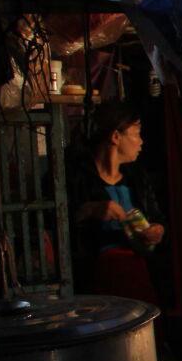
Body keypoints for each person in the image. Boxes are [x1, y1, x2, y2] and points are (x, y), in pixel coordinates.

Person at [68, 100, 165, 304]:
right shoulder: (75, 176)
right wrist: (87, 211)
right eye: (137, 133)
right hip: (93, 281)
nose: (141, 142)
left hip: (137, 272)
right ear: (115, 136)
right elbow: (51, 226)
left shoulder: (137, 176)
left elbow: (157, 218)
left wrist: (156, 231)